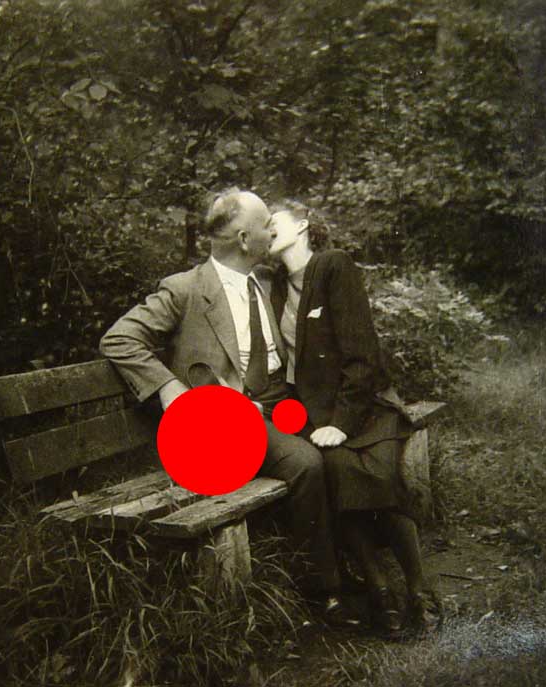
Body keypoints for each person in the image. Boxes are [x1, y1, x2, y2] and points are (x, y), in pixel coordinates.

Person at [99, 189, 351, 622]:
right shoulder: (186, 289)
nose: (272, 231)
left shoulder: (266, 281)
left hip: (280, 403)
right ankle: (322, 589)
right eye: (265, 226)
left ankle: (355, 564)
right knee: (306, 463)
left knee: (345, 447)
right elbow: (119, 339)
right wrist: (168, 388)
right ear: (244, 239)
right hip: (228, 421)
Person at [267, 199, 442, 635]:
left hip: (365, 406)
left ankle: (419, 590)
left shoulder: (333, 266)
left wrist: (341, 423)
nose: (265, 228)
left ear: (302, 225)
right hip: (316, 417)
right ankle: (380, 592)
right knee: (338, 473)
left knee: (379, 476)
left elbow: (363, 355)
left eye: (273, 221)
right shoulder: (274, 285)